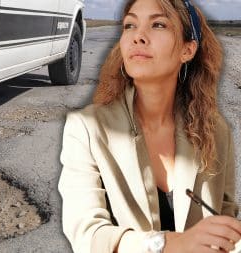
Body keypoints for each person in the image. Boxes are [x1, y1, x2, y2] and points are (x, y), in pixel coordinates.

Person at [58, 0, 241, 252]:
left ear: (187, 50)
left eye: (158, 24)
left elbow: (227, 217)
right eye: (130, 25)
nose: (138, 37)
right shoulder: (86, 129)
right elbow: (87, 235)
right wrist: (170, 244)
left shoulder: (217, 132)